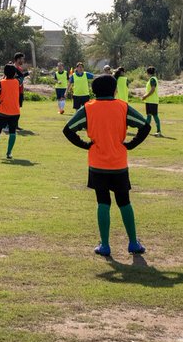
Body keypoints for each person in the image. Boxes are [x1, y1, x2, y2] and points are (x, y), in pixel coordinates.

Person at [63, 73, 151, 256]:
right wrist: (131, 144)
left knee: (103, 202)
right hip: (118, 164)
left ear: (94, 91)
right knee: (124, 202)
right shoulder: (123, 107)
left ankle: (105, 245)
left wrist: (85, 145)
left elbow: (68, 130)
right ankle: (133, 243)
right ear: (114, 90)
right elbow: (145, 126)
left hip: (98, 164)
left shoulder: (88, 108)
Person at [142, 66, 162, 136]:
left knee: (155, 116)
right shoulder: (152, 79)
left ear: (148, 73)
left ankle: (159, 131)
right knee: (148, 115)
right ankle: (145, 130)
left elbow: (153, 89)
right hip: (149, 101)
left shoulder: (152, 80)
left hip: (152, 101)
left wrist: (145, 96)